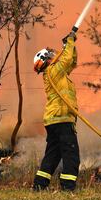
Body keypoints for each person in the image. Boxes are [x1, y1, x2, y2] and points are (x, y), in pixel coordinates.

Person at [32, 31, 80, 191]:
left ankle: (39, 185)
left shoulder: (56, 74)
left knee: (53, 155)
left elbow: (71, 62)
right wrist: (70, 41)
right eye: (51, 55)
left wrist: (70, 46)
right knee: (71, 154)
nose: (54, 56)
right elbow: (65, 60)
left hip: (54, 121)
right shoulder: (52, 71)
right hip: (62, 120)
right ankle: (68, 187)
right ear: (46, 60)